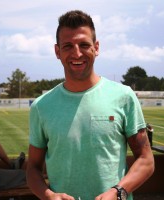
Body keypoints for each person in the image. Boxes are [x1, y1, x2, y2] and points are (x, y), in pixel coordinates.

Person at [27, 10, 154, 200]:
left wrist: (118, 192)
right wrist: (48, 196)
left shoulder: (123, 96)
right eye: (68, 46)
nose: (77, 53)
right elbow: (32, 168)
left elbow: (146, 160)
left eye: (84, 45)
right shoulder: (41, 106)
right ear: (57, 51)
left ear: (96, 47)